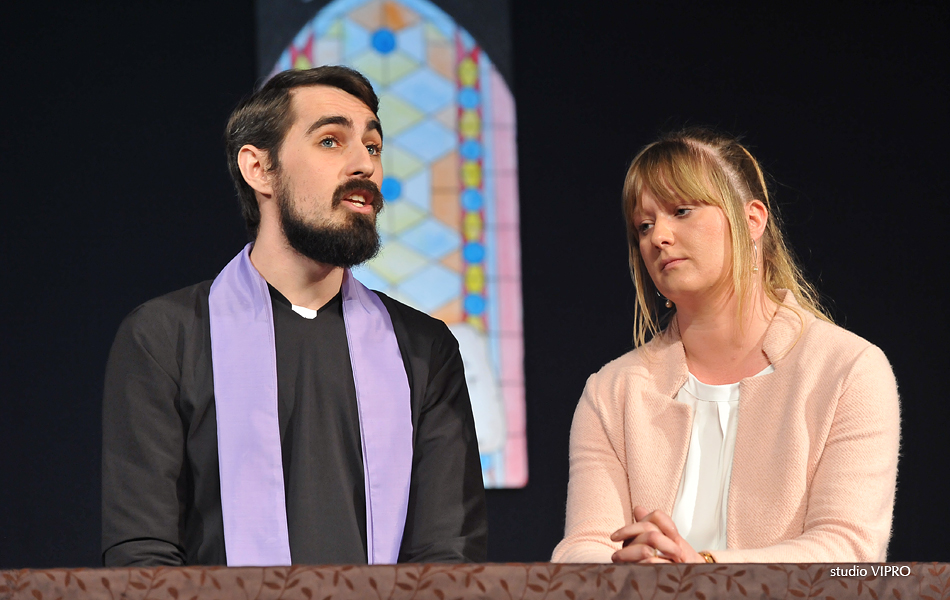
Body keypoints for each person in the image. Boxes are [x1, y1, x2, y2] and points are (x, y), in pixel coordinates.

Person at [101, 66, 487, 567]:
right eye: (331, 141)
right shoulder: (166, 337)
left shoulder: (422, 348)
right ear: (259, 169)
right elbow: (143, 558)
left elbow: (447, 557)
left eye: (373, 147)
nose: (365, 166)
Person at [552, 128, 899, 563]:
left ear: (752, 220)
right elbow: (581, 547)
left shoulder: (848, 370)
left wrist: (703, 571)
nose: (658, 237)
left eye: (681, 211)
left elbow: (848, 550)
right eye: (644, 225)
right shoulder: (612, 391)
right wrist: (631, 569)